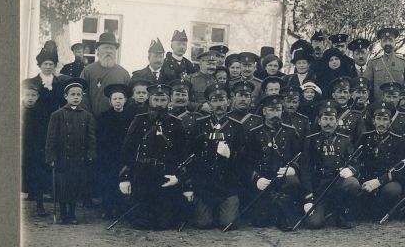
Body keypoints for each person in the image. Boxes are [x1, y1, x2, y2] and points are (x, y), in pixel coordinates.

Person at [119, 83, 190, 229]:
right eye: (155, 100)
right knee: (140, 223)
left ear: (169, 100)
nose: (159, 104)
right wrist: (125, 178)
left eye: (162, 100)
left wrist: (178, 176)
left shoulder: (176, 123)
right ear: (149, 100)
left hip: (165, 176)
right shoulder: (139, 120)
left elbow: (183, 154)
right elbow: (127, 151)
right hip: (142, 175)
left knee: (164, 224)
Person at [187, 83, 247, 230]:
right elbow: (191, 155)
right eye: (215, 100)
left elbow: (243, 158)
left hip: (227, 184)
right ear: (208, 103)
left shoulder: (237, 127)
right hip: (205, 183)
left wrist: (230, 155)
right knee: (203, 224)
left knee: (229, 224)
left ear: (228, 101)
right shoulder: (200, 125)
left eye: (222, 100)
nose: (219, 104)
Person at [300, 100, 361, 229]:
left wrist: (350, 170)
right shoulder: (311, 140)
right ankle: (325, 212)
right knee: (314, 223)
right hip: (319, 188)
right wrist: (308, 198)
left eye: (332, 119)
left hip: (337, 185)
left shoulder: (345, 140)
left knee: (352, 183)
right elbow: (305, 169)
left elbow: (356, 163)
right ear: (319, 121)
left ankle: (341, 213)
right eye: (325, 119)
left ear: (337, 121)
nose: (328, 123)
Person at [45, 78, 96, 224]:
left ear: (82, 97)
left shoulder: (87, 116)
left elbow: (91, 138)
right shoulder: (57, 115)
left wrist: (91, 153)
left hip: (78, 159)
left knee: (75, 186)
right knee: (62, 187)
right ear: (65, 96)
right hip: (62, 158)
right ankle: (63, 213)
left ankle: (72, 214)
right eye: (72, 94)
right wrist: (51, 157)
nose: (75, 97)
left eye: (78, 94)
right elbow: (51, 138)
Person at [248, 94, 303, 231]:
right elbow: (247, 162)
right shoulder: (255, 133)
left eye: (278, 109)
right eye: (271, 110)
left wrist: (293, 168)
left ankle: (283, 217)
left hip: (282, 177)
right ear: (264, 111)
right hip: (263, 179)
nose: (275, 113)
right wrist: (256, 178)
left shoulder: (290, 132)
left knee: (292, 181)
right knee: (260, 221)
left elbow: (301, 156)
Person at [354, 101, 405, 221]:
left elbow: (402, 167)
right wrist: (363, 179)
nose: (382, 123)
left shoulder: (398, 140)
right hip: (367, 178)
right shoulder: (365, 137)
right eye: (379, 119)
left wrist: (379, 181)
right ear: (373, 121)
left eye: (385, 119)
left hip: (386, 180)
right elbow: (356, 159)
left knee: (393, 190)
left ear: (390, 122)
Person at [96, 83, 134, 221]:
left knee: (123, 180)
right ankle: (108, 209)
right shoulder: (103, 117)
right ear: (110, 101)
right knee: (108, 182)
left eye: (120, 98)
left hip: (125, 156)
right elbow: (100, 138)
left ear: (125, 100)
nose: (118, 101)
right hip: (108, 156)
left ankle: (120, 209)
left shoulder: (132, 117)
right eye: (115, 99)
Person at [80, 32, 131, 118]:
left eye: (112, 48)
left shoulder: (123, 74)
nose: (109, 51)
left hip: (117, 122)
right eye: (105, 48)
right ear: (98, 51)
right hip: (93, 121)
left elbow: (129, 99)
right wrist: (89, 118)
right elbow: (82, 96)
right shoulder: (88, 71)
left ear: (115, 52)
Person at [362, 27, 405, 102]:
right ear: (381, 43)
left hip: (397, 105)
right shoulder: (373, 62)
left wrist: (404, 97)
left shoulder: (404, 62)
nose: (388, 43)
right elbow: (365, 83)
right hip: (378, 107)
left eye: (390, 40)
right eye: (385, 41)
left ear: (395, 42)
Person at [21, 79, 51, 217]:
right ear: (22, 95)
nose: (30, 98)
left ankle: (40, 206)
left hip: (36, 151)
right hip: (20, 151)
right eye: (27, 95)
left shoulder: (42, 113)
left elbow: (45, 133)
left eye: (33, 95)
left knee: (38, 178)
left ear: (37, 97)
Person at [28, 42, 69, 117]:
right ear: (40, 65)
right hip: (35, 122)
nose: (48, 67)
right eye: (45, 64)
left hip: (54, 122)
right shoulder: (31, 83)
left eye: (51, 64)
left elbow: (63, 105)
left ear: (55, 66)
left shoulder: (60, 84)